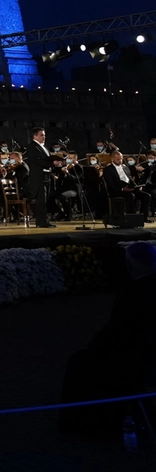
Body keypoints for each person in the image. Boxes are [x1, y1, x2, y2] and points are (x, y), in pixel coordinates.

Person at [60, 242, 156, 436]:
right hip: (147, 355)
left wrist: (95, 345)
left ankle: (86, 424)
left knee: (79, 363)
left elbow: (117, 334)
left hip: (137, 359)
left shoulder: (131, 296)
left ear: (129, 266)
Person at [103, 151, 152, 222]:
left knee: (147, 196)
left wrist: (136, 186)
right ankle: (131, 218)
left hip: (129, 188)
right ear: (112, 159)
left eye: (121, 159)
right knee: (131, 196)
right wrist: (122, 189)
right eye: (118, 159)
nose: (120, 161)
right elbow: (110, 184)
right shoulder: (108, 169)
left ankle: (143, 218)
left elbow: (130, 179)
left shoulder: (125, 167)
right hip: (117, 190)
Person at [23, 127, 56, 228]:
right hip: (38, 177)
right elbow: (36, 161)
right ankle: (42, 222)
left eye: (44, 135)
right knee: (41, 200)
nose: (44, 137)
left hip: (46, 176)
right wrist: (51, 163)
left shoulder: (44, 146)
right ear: (35, 136)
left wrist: (54, 163)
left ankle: (43, 220)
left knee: (45, 200)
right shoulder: (32, 147)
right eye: (41, 135)